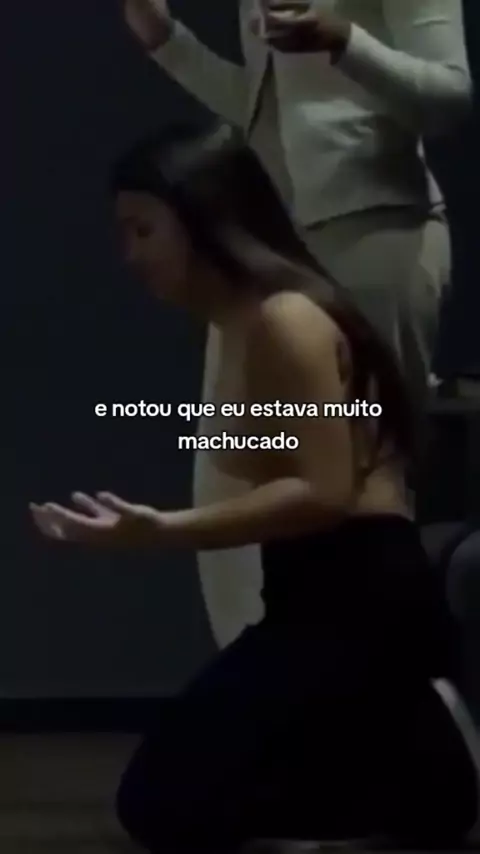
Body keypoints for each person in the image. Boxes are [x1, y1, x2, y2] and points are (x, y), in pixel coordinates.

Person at [30, 123, 478, 851]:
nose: (131, 255)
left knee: (163, 805)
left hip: (361, 596)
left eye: (143, 230)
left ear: (208, 220)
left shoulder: (285, 319)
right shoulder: (240, 323)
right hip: (308, 590)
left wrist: (164, 529)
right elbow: (288, 447)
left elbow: (325, 491)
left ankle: (424, 746)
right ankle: (417, 749)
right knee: (189, 792)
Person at [123, 0, 472, 649]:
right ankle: (261, 680)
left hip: (375, 228)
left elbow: (450, 97)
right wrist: (167, 41)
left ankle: (386, 688)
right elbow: (264, 116)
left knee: (360, 489)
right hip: (273, 242)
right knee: (235, 470)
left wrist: (344, 41)